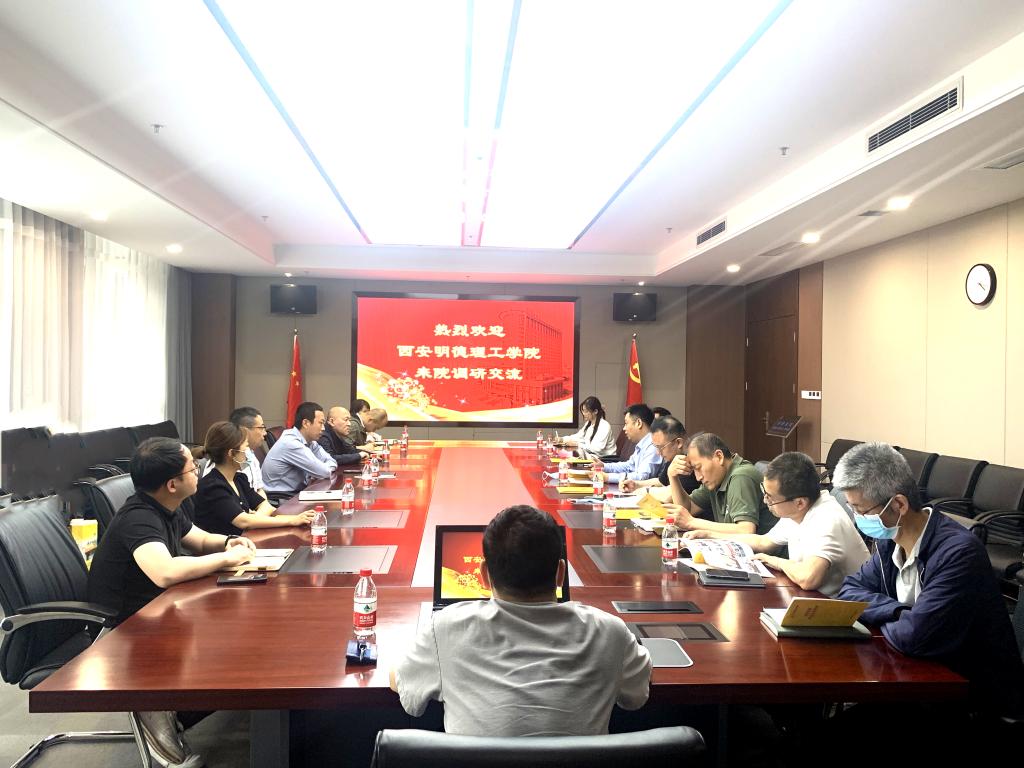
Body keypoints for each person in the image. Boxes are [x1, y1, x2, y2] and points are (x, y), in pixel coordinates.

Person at [391, 505, 651, 735]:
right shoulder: (611, 633)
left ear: (484, 575)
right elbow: (637, 694)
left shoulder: (444, 629)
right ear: (560, 574)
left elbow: (402, 684)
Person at [87, 437, 257, 768]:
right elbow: (164, 572)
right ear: (172, 484)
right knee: (229, 643)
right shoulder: (139, 517)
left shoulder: (166, 506)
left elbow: (200, 540)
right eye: (192, 469)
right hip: (122, 630)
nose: (198, 472)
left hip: (157, 610)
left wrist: (229, 542)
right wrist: (226, 560)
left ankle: (174, 708)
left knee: (236, 638)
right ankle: (152, 705)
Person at [835, 442, 1024, 715]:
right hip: (913, 678)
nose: (857, 519)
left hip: (968, 699)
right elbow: (849, 590)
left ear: (899, 504)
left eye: (861, 511)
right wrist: (900, 612)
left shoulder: (958, 552)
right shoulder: (890, 541)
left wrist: (887, 616)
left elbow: (915, 637)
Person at [684, 452, 869, 595]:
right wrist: (709, 535)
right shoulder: (798, 510)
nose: (765, 501)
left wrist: (776, 561)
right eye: (764, 493)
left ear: (799, 502)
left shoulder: (827, 519)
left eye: (771, 498)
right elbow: (763, 542)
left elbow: (808, 579)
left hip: (849, 613)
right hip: (812, 599)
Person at [193, 421, 315, 535]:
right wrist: (292, 520)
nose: (248, 452)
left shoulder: (239, 479)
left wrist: (253, 519)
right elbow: (243, 522)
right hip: (223, 548)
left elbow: (266, 506)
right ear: (231, 453)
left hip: (245, 541)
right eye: (245, 447)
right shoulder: (212, 486)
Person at [665, 432, 775, 535]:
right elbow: (686, 511)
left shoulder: (741, 477)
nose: (698, 477)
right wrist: (672, 477)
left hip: (761, 550)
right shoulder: (717, 478)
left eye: (698, 468)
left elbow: (746, 530)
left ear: (719, 456)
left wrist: (692, 522)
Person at [262, 401, 337, 501]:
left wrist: (326, 468)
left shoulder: (310, 441)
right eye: (320, 423)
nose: (323, 428)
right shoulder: (291, 443)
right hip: (282, 498)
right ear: (306, 423)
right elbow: (324, 472)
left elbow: (332, 461)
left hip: (296, 493)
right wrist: (326, 468)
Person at [621, 416, 700, 499]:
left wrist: (645, 491)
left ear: (678, 442)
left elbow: (671, 495)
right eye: (656, 447)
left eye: (661, 447)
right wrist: (636, 485)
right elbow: (661, 481)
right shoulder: (673, 457)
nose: (658, 453)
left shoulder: (689, 460)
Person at [201, 406, 268, 499]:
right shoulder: (217, 477)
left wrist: (264, 506)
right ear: (245, 430)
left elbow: (258, 490)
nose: (265, 433)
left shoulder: (241, 473)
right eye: (262, 428)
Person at [591, 404, 661, 483]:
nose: (624, 428)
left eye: (626, 423)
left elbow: (642, 477)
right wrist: (604, 466)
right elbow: (629, 466)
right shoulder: (643, 444)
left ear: (638, 423)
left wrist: (608, 477)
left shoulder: (653, 446)